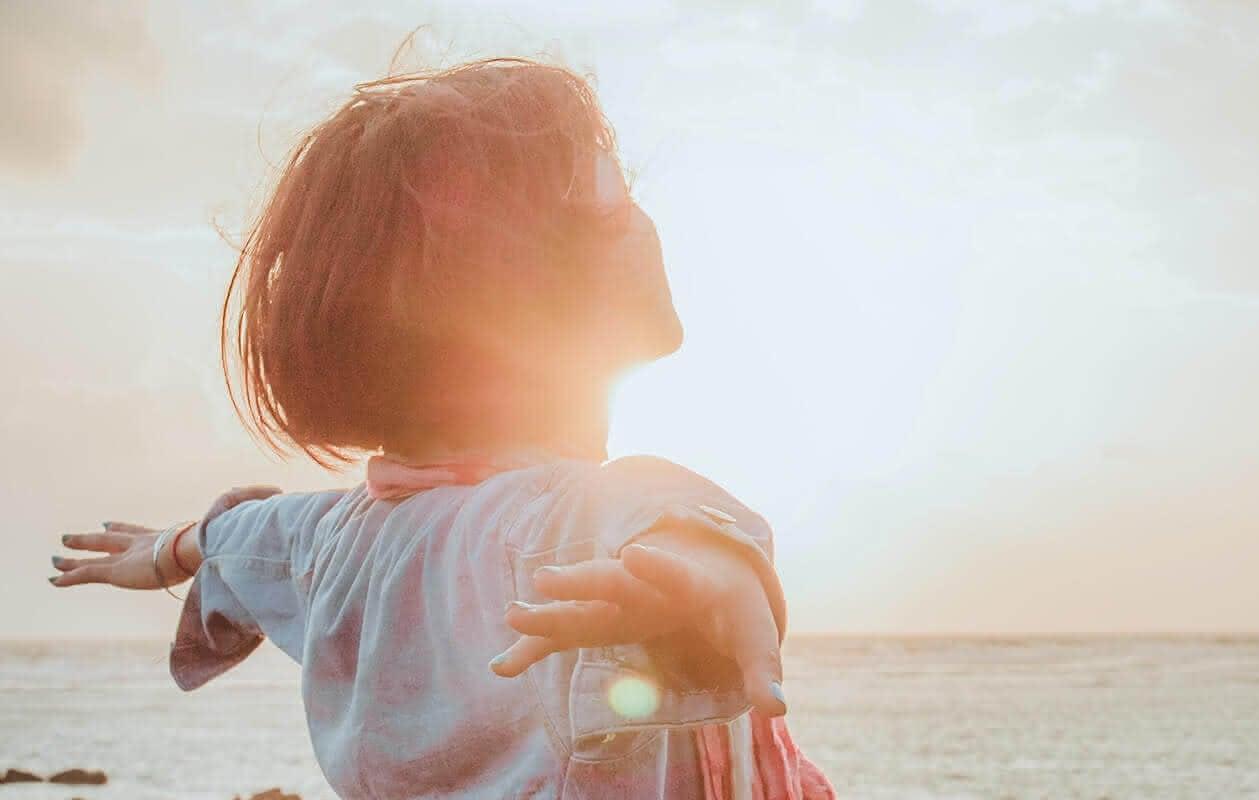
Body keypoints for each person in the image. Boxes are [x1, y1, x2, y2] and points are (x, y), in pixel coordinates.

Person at [47, 57, 832, 799]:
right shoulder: (565, 523)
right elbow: (670, 522)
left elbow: (240, 539)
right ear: (512, 286)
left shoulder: (332, 538)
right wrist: (706, 583)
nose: (645, 219)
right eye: (613, 199)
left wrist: (169, 550)